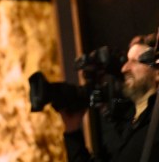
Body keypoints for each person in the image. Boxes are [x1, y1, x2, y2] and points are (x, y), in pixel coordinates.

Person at [59, 32, 159, 161]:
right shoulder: (127, 123)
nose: (124, 69)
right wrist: (72, 129)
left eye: (134, 61)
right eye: (126, 61)